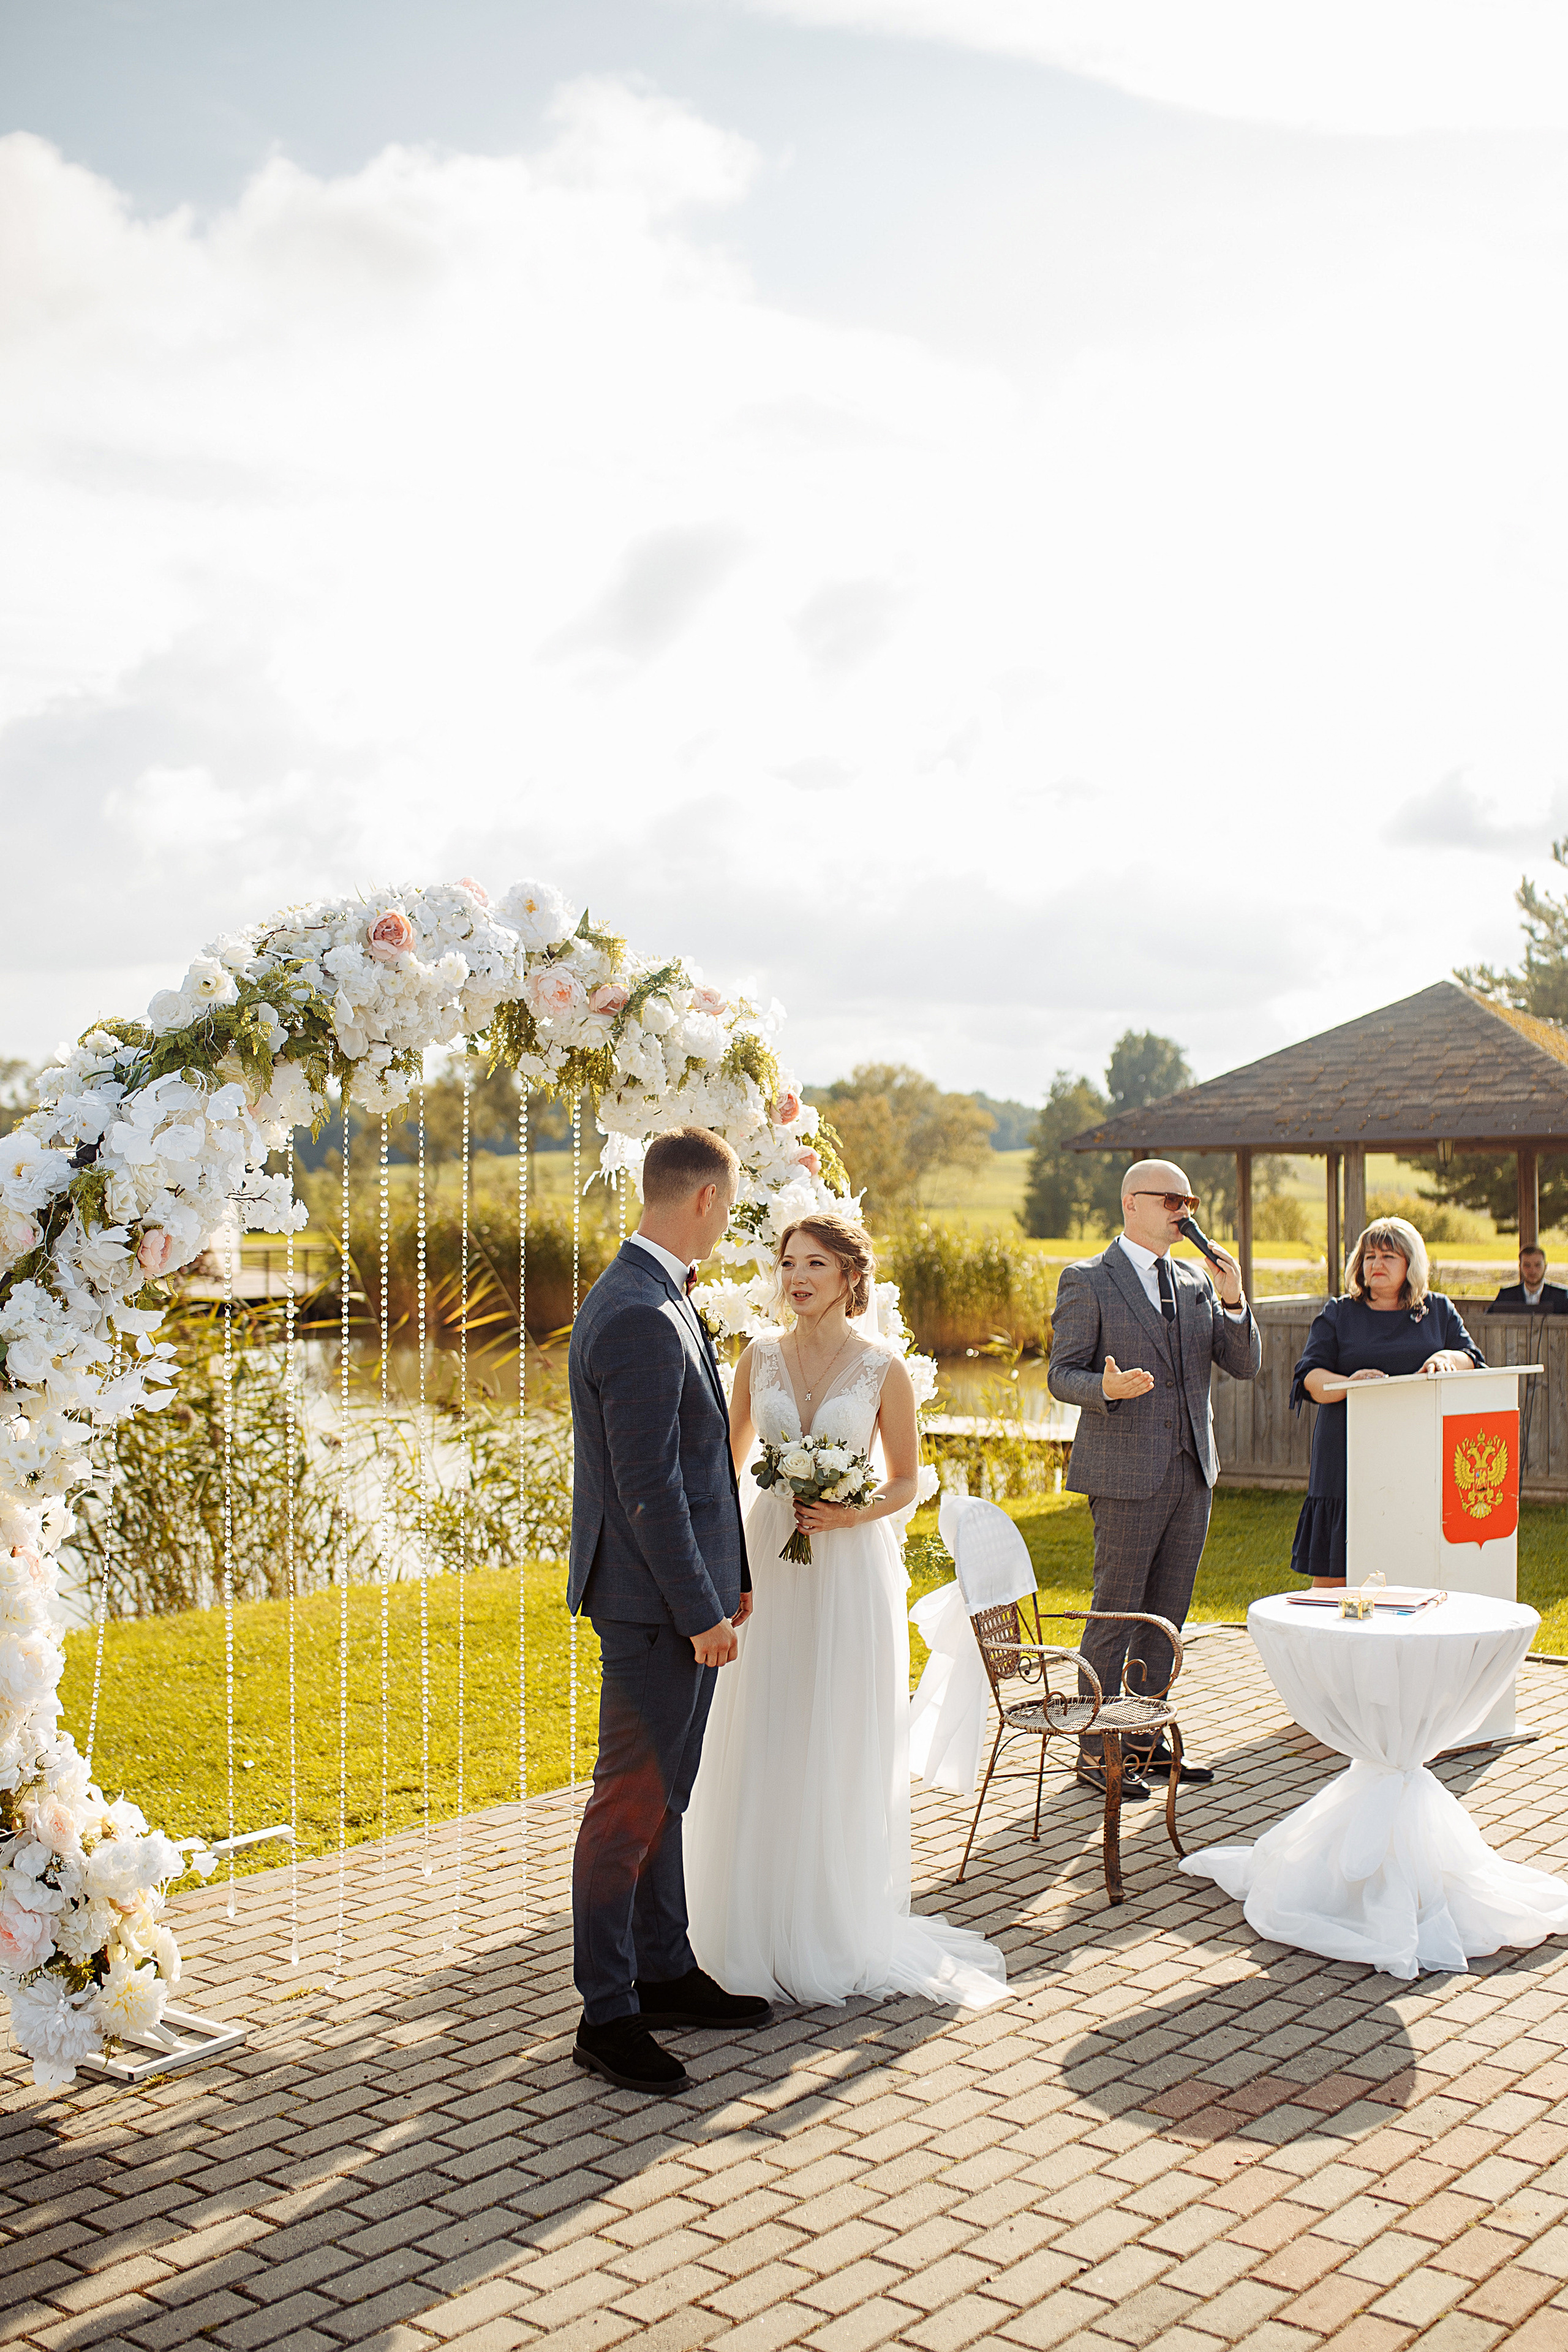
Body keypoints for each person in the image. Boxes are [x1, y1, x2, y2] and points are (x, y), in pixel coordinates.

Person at [684, 1212, 1008, 2011]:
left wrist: (849, 1511)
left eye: (815, 1265)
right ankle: (743, 1921)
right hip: (767, 1551)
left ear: (849, 1276)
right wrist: (720, 1562)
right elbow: (723, 1466)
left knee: (833, 1729)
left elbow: (907, 1482)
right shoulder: (756, 1356)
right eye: (789, 1263)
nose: (797, 1278)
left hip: (849, 1565)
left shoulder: (881, 1367)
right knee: (759, 1724)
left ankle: (825, 1920)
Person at [567, 1125, 774, 2096]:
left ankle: (666, 1969)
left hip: (673, 1596)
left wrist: (724, 1582)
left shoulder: (655, 1295)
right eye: (728, 1207)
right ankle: (608, 2016)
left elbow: (694, 1473)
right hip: (653, 1607)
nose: (728, 1222)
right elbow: (647, 1488)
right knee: (627, 1808)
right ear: (702, 1200)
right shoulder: (641, 1313)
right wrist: (701, 1611)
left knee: (666, 1798)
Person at [1047, 1160, 1262, 1800]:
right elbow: (1060, 1375)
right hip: (1123, 1475)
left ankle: (1143, 1742)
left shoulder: (1198, 1282)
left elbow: (1244, 1364)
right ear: (1131, 1204)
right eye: (1172, 1199)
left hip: (1191, 1472)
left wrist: (1233, 1297)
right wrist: (1105, 1389)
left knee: (1167, 1615)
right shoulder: (1087, 1280)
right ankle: (1094, 1752)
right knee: (1115, 1613)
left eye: (1189, 1199)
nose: (1184, 1210)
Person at [1290, 1216, 1483, 1586]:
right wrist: (1351, 1383)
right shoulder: (1339, 1313)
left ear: (1411, 1264)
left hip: (1417, 1452)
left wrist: (1446, 1359)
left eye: (1388, 1256)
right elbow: (1310, 1378)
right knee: (1335, 1582)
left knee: (1411, 1567)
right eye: (1369, 1256)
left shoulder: (1438, 1311)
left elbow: (1471, 1357)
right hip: (1347, 1454)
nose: (1376, 1265)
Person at [1488, 1244, 1568, 1316]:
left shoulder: (1562, 1296)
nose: (1533, 1271)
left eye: (1538, 1265)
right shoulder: (1506, 1296)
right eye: (1527, 1265)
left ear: (1545, 1266)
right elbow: (1488, 1322)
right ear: (1520, 1267)